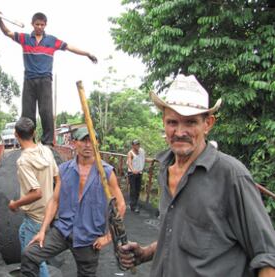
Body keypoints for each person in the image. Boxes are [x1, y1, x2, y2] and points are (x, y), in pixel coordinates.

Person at [118, 74, 275, 276]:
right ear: (164, 123)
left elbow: (268, 256)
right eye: (173, 122)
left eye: (191, 122)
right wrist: (146, 253)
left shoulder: (231, 176)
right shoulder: (165, 168)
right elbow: (178, 234)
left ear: (208, 124)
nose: (180, 131)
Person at [20, 127, 126, 277]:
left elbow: (120, 205)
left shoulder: (106, 172)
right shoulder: (64, 170)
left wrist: (108, 237)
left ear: (97, 144)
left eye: (92, 141)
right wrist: (42, 231)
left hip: (89, 237)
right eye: (84, 140)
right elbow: (54, 201)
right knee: (29, 254)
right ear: (75, 143)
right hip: (63, 230)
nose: (88, 145)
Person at [0, 11, 98, 146]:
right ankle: (28, 140)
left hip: (45, 80)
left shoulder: (51, 41)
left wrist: (87, 53)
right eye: (37, 24)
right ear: (32, 24)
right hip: (29, 80)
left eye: (42, 25)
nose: (39, 27)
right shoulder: (24, 38)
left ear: (45, 25)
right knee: (27, 113)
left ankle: (47, 142)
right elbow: (7, 32)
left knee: (46, 111)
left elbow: (69, 47)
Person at [8, 117, 60, 277]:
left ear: (16, 135)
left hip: (35, 217)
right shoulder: (46, 150)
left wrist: (15, 204)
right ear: (35, 133)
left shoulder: (23, 161)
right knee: (23, 232)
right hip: (46, 213)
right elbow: (58, 179)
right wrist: (55, 201)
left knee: (33, 259)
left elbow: (37, 193)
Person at [126, 139, 145, 213]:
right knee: (133, 189)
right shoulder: (130, 153)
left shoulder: (142, 151)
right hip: (132, 173)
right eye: (136, 144)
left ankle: (135, 203)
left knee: (138, 189)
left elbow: (143, 159)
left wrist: (152, 161)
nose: (137, 146)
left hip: (139, 173)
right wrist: (133, 170)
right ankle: (133, 206)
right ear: (133, 145)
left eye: (138, 144)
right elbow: (129, 163)